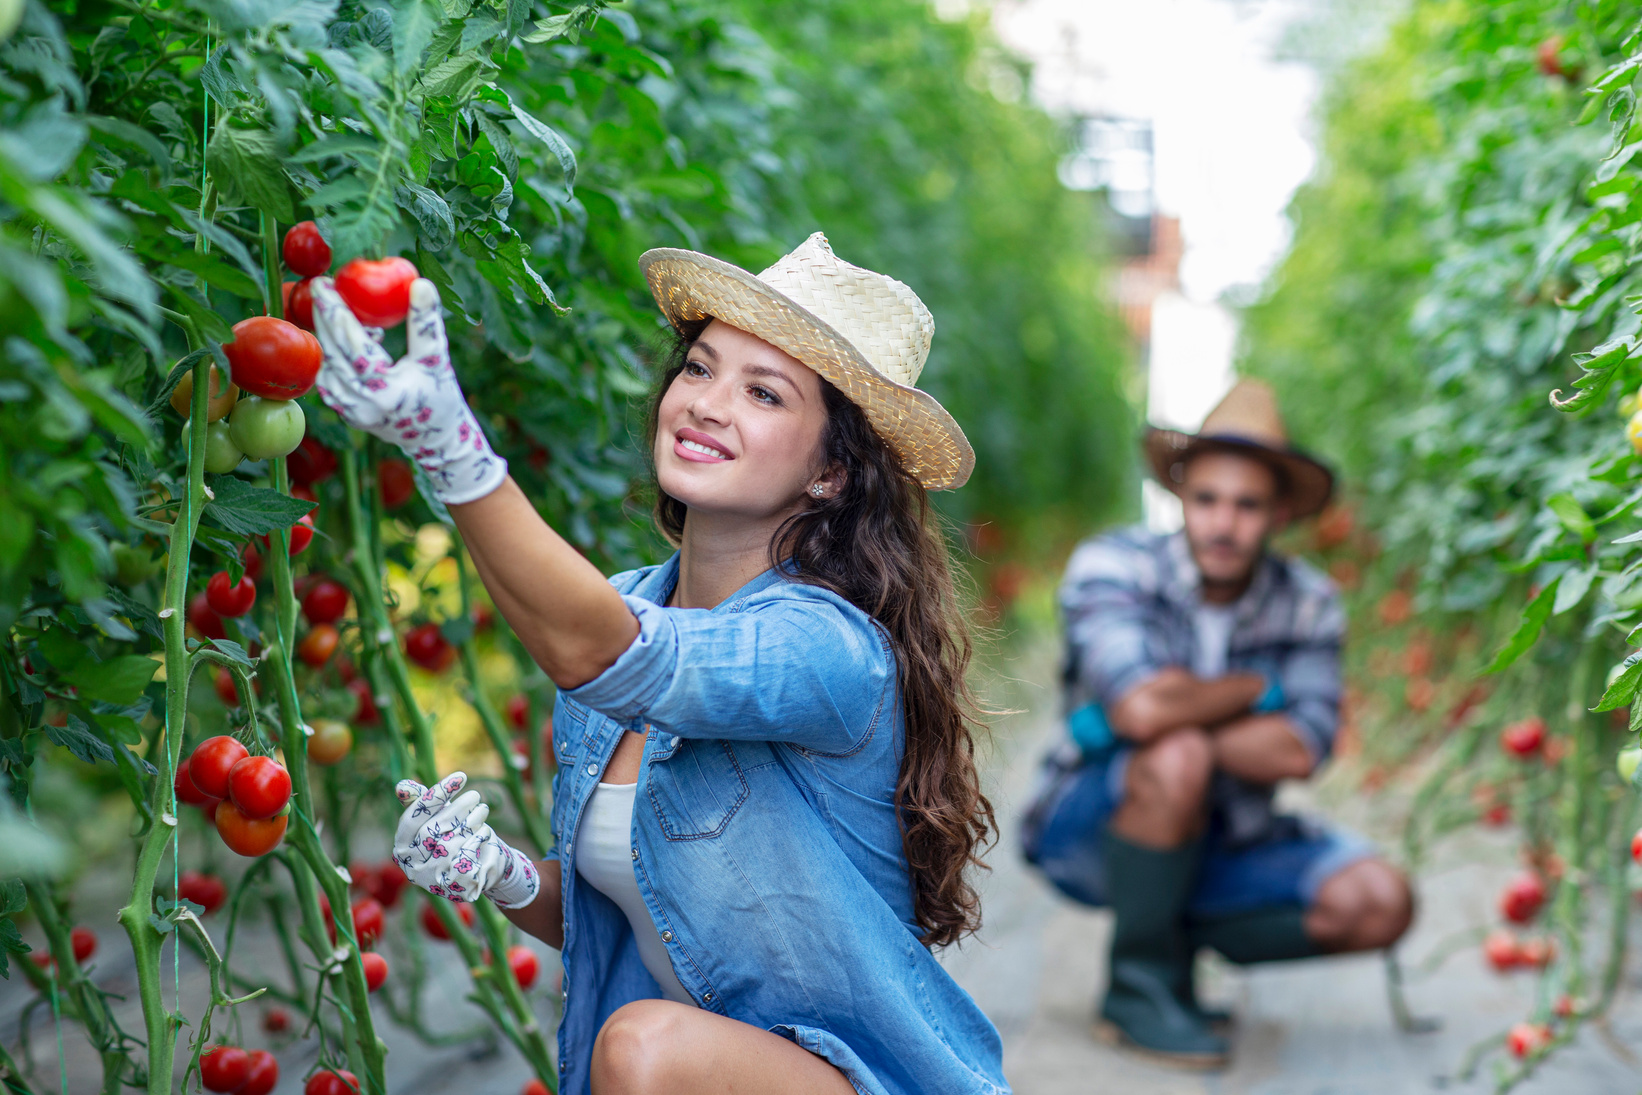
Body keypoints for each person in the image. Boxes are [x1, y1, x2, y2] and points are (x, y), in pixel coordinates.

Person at [308, 233, 1009, 1095]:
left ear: (831, 471)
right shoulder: (628, 599)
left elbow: (601, 651)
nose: (709, 404)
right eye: (700, 368)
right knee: (640, 1041)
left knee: (639, 1045)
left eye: (762, 391)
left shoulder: (827, 647)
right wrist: (502, 872)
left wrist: (451, 451)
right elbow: (647, 916)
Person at [1021, 380, 1414, 1068]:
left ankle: (1168, 922)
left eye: (1247, 505)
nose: (1223, 524)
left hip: (1229, 836)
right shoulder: (1114, 564)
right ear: (1179, 495)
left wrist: (1181, 713)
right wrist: (1254, 689)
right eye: (1207, 500)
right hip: (1093, 823)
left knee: (1380, 901)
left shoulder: (1311, 601)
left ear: (1280, 512)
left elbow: (1300, 749)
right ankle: (1137, 990)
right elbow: (1140, 706)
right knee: (1173, 756)